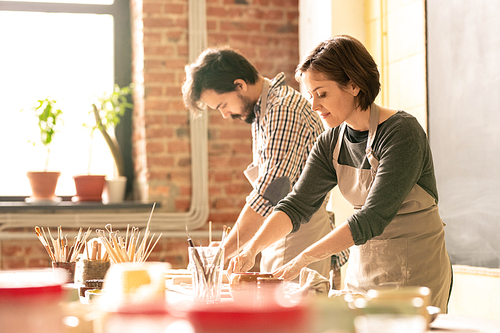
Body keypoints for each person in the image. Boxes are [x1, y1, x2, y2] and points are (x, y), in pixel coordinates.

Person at [227, 35, 452, 311]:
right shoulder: (330, 142)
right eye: (310, 95)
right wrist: (252, 249)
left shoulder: (401, 132)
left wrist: (304, 257)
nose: (314, 106)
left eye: (322, 94)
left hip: (417, 271)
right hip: (365, 270)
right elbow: (296, 205)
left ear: (354, 84)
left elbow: (373, 217)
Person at [182, 46, 336, 278]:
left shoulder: (282, 109)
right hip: (278, 233)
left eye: (223, 105)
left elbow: (272, 191)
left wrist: (225, 251)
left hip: (298, 233)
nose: (225, 115)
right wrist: (231, 244)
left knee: (290, 312)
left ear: (240, 85)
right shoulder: (262, 111)